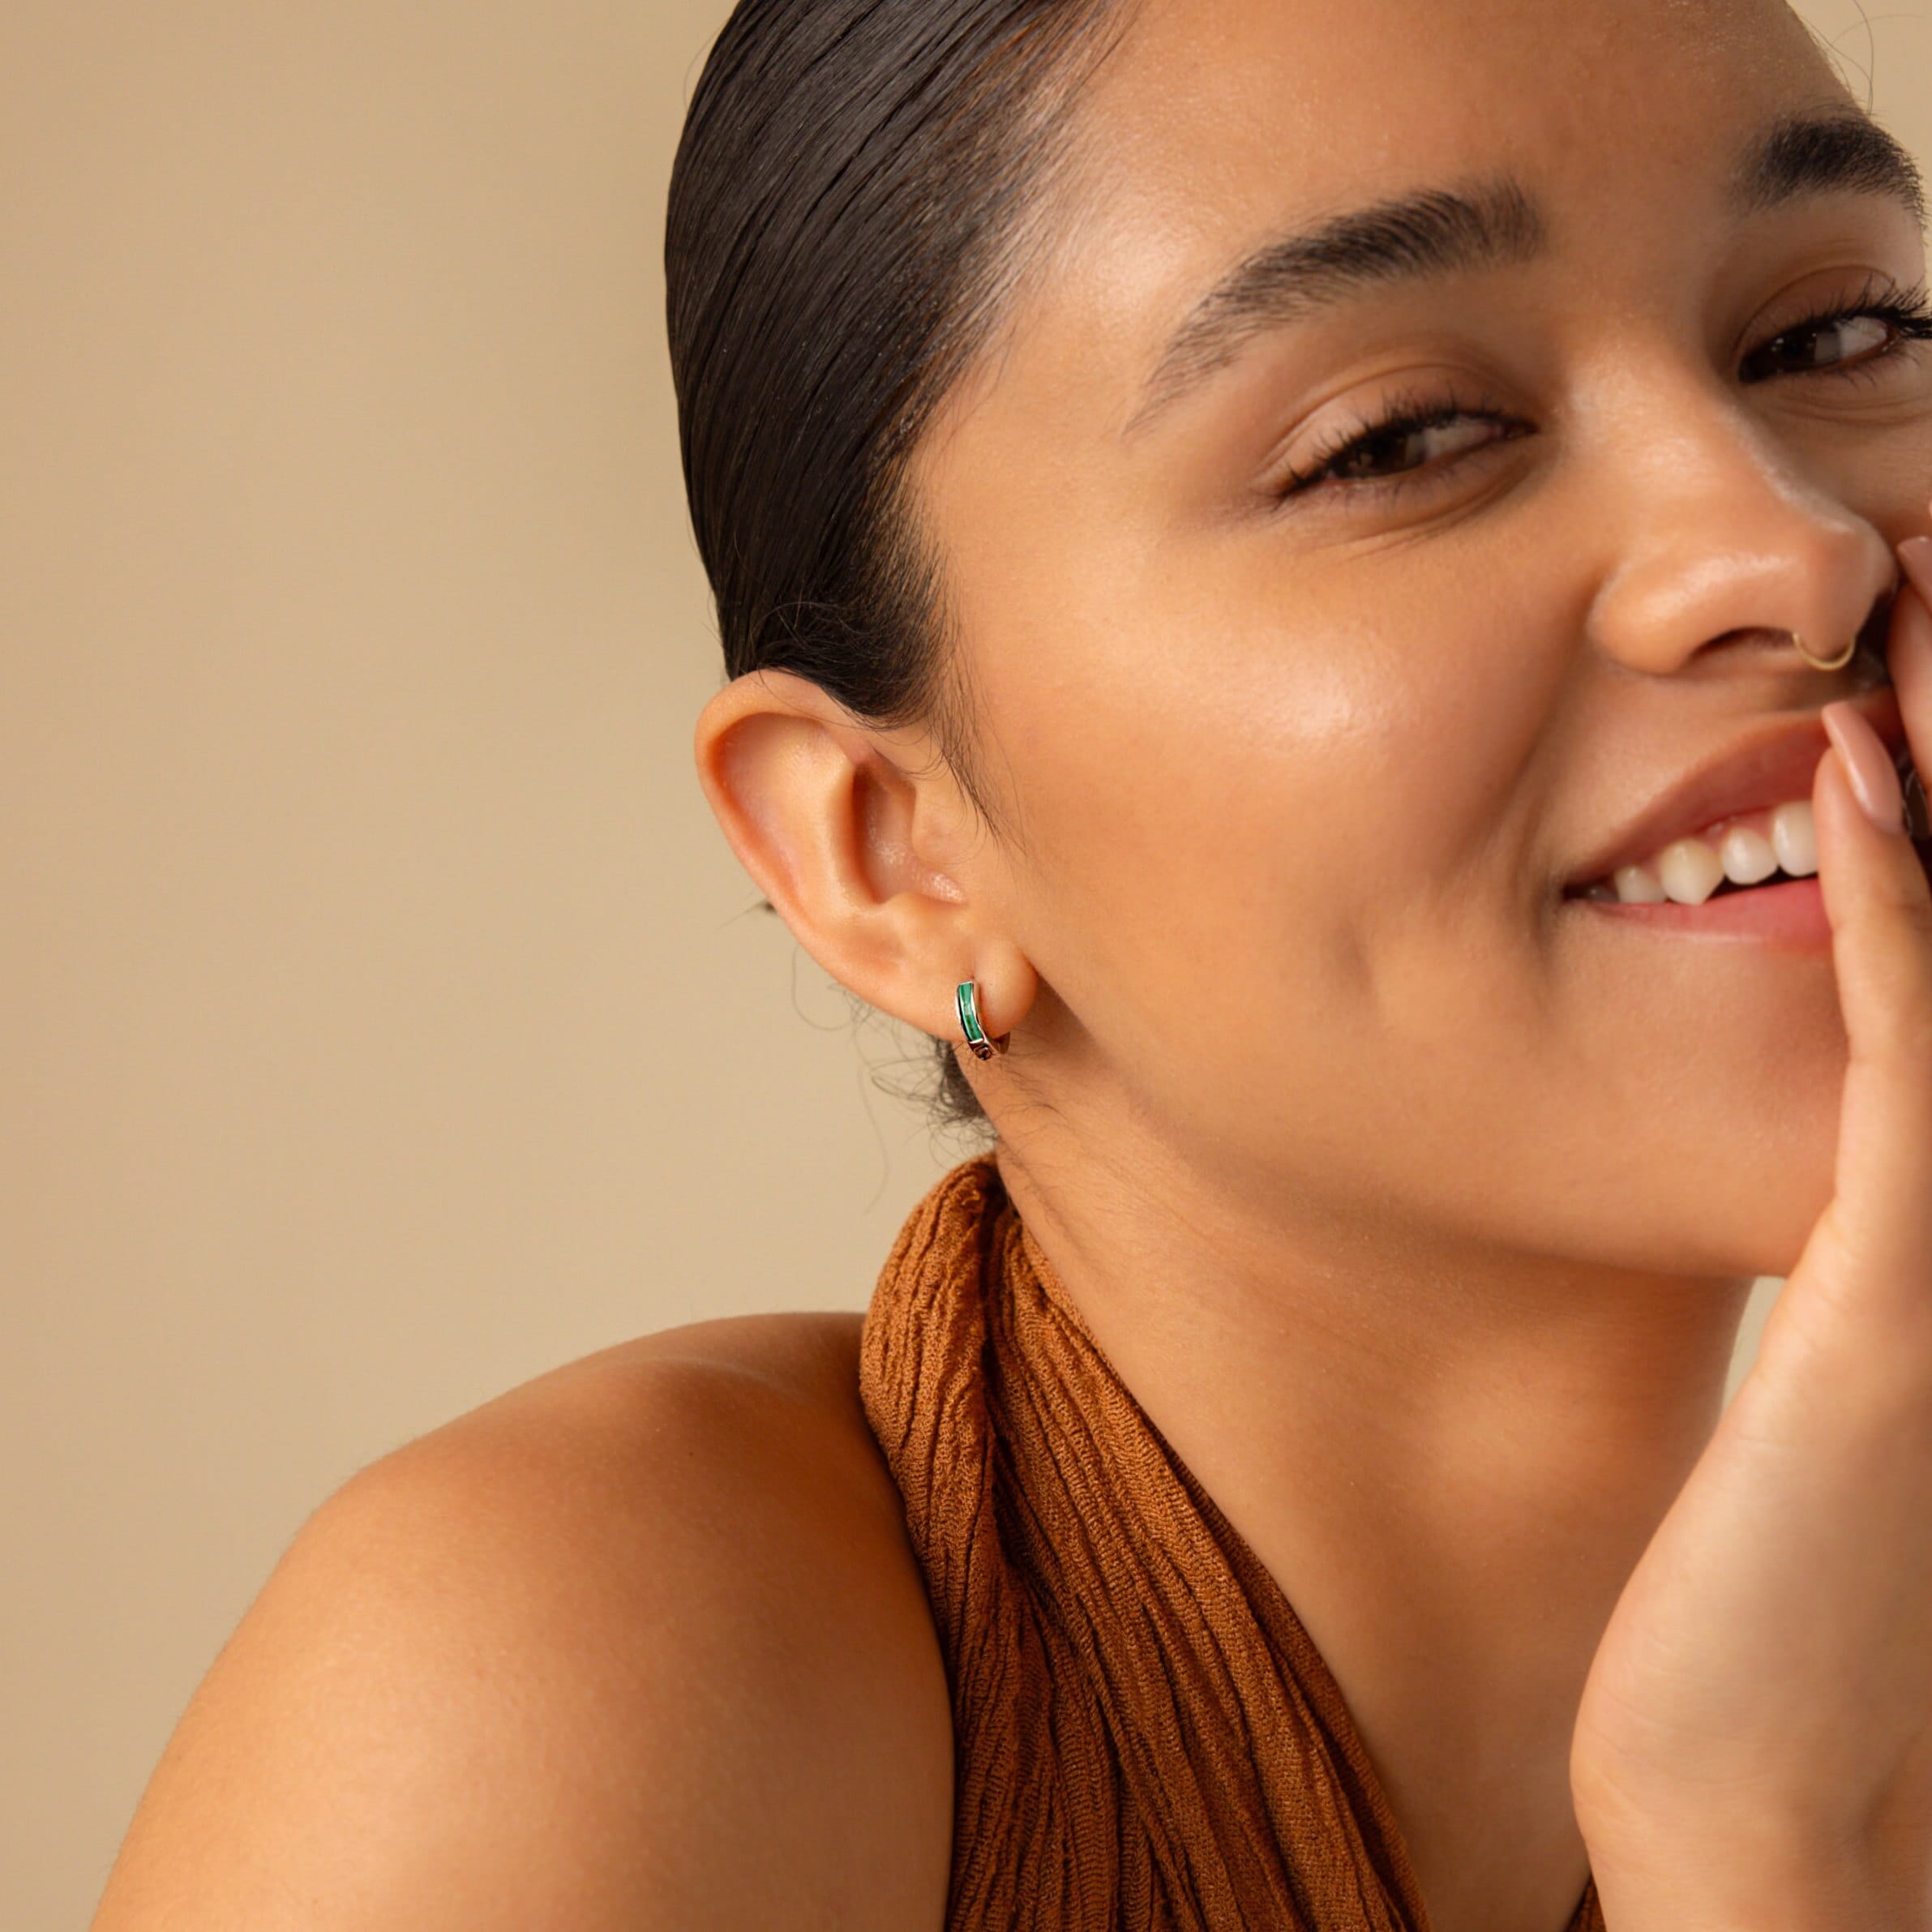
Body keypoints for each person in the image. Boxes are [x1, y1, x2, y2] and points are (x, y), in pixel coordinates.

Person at [89, 0, 1932, 1927]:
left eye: (1836, 333)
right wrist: (1762, 1852)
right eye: (1401, 437)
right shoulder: (559, 1673)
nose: (1789, 549)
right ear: (890, 856)